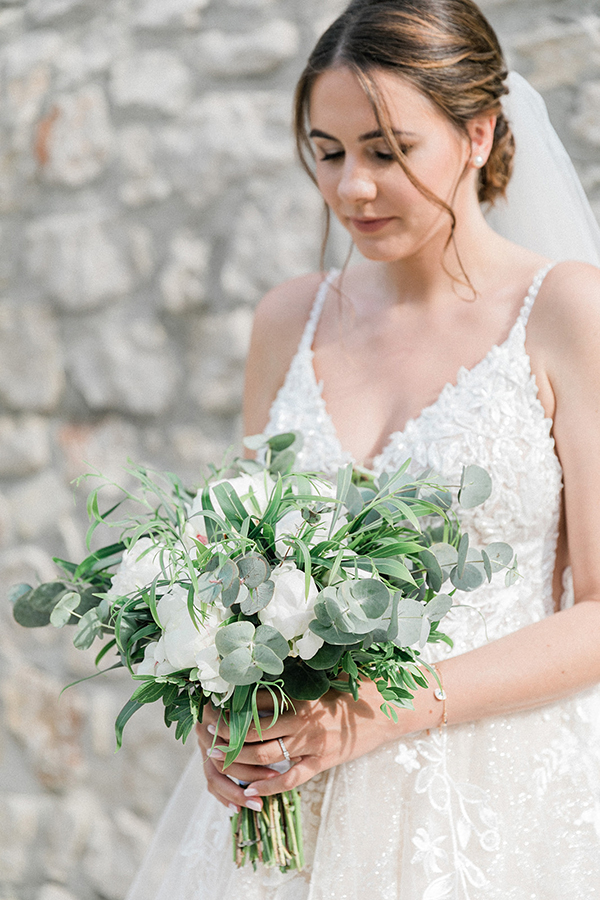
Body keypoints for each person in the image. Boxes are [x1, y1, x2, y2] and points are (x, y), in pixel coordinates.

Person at [126, 1, 600, 897]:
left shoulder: (568, 312)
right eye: (328, 151)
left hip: (492, 808)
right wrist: (226, 714)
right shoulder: (287, 320)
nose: (351, 189)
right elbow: (237, 574)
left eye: (387, 151)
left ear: (478, 133)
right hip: (288, 817)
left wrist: (385, 710)